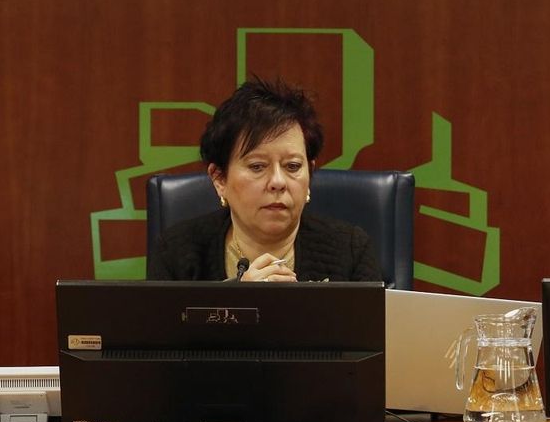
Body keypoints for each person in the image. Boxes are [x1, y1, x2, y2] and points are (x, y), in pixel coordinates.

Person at [147, 77, 381, 283]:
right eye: (257, 167)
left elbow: (375, 333)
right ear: (219, 179)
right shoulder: (176, 253)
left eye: (292, 166)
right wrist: (240, 306)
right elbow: (159, 334)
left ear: (309, 174)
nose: (278, 182)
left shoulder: (350, 250)